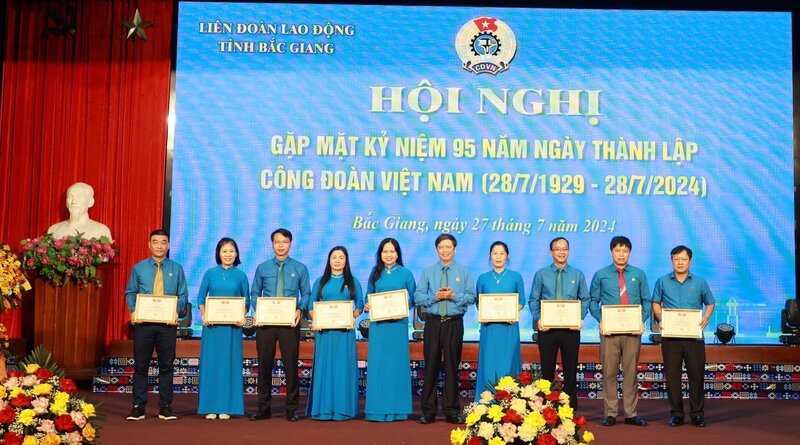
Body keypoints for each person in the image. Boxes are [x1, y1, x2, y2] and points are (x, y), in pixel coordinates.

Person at [124, 229, 188, 421]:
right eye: (155, 242)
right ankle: (138, 406)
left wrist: (175, 311)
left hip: (167, 325)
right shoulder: (139, 268)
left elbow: (183, 294)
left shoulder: (177, 268)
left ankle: (165, 406)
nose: (159, 245)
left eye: (163, 242)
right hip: (144, 325)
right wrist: (134, 310)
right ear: (149, 245)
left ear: (168, 245)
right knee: (141, 366)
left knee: (166, 367)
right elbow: (130, 291)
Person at [589, 235, 651, 427]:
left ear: (629, 253)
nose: (621, 254)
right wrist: (601, 320)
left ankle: (631, 414)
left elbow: (646, 301)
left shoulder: (639, 274)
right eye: (618, 250)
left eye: (625, 251)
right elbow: (592, 301)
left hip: (632, 332)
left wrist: (642, 320)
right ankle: (610, 413)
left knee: (631, 373)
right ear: (611, 252)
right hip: (609, 333)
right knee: (609, 372)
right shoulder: (601, 274)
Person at [414, 233, 476, 424]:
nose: (445, 250)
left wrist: (453, 295)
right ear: (436, 249)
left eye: (448, 247)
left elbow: (472, 297)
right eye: (441, 247)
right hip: (432, 323)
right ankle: (428, 411)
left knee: (451, 367)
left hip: (454, 323)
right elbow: (417, 297)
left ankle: (451, 411)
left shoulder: (464, 272)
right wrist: (435, 298)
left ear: (455, 249)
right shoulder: (428, 272)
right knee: (430, 366)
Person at [250, 228, 311, 422]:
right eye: (277, 241)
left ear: (290, 244)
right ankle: (263, 408)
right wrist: (257, 309)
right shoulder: (262, 267)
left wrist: (299, 309)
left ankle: (291, 409)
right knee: (264, 364)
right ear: (272, 244)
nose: (281, 245)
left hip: (289, 324)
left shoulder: (300, 268)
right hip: (266, 324)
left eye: (284, 241)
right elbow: (254, 293)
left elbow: (306, 294)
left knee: (291, 365)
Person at [652, 245, 715, 428]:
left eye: (683, 259)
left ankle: (697, 414)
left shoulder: (700, 282)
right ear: (672, 260)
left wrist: (705, 317)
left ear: (690, 261)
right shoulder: (662, 281)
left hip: (694, 338)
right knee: (673, 377)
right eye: (676, 259)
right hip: (670, 338)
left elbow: (710, 303)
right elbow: (655, 302)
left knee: (696, 376)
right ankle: (677, 414)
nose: (680, 262)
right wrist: (661, 318)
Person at [529, 237, 589, 409]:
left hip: (570, 330)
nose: (561, 252)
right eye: (557, 249)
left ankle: (570, 406)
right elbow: (534, 299)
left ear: (568, 251)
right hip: (547, 330)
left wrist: (579, 317)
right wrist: (538, 318)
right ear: (551, 252)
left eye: (565, 249)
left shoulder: (578, 274)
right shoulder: (541, 274)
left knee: (571, 369)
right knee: (547, 370)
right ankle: (545, 405)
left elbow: (585, 299)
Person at [306, 246, 364, 420]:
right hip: (324, 334)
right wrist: (316, 319)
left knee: (342, 369)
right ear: (329, 260)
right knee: (325, 368)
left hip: (344, 334)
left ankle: (343, 409)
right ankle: (322, 409)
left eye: (341, 257)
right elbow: (311, 306)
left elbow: (360, 304)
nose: (337, 260)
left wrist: (353, 315)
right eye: (334, 257)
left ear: (346, 261)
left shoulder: (353, 281)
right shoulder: (320, 281)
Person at [196, 237, 250, 420]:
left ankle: (226, 406)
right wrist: (205, 315)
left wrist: (241, 316)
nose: (228, 254)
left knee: (229, 365)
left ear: (237, 254)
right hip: (212, 328)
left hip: (232, 329)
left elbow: (247, 302)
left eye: (231, 251)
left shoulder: (241, 276)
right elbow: (201, 299)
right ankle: (210, 407)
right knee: (212, 364)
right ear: (218, 253)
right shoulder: (210, 273)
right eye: (224, 251)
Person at [364, 238, 416, 421]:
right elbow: (367, 298)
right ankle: (376, 410)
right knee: (379, 366)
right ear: (380, 254)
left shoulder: (406, 273)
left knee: (396, 366)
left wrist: (402, 309)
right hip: (378, 327)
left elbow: (414, 298)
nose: (388, 255)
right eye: (385, 251)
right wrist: (368, 305)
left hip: (397, 326)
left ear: (398, 253)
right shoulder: (375, 274)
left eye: (392, 251)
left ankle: (398, 410)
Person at [474, 241, 525, 400]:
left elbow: (521, 301)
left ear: (507, 256)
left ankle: (509, 402)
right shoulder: (483, 278)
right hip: (490, 329)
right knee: (489, 364)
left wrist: (512, 312)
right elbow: (478, 302)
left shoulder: (516, 276)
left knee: (508, 365)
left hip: (508, 329)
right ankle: (487, 401)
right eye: (495, 253)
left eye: (501, 253)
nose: (498, 257)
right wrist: (485, 313)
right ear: (490, 256)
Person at [47, 182, 112, 240]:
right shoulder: (53, 230)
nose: (74, 201)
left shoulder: (101, 231)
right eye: (70, 197)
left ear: (90, 202)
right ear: (66, 203)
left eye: (79, 197)